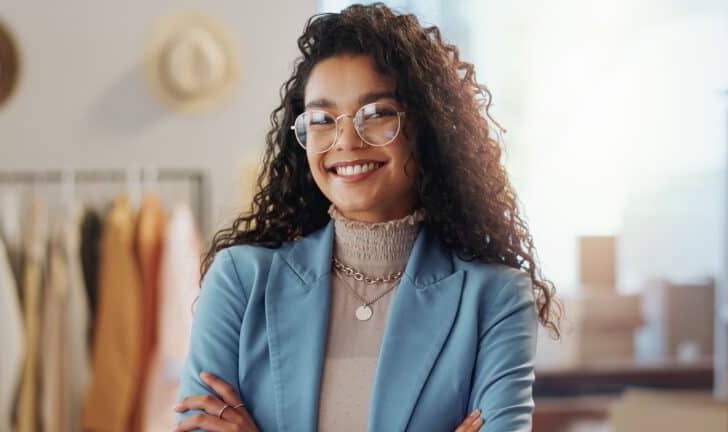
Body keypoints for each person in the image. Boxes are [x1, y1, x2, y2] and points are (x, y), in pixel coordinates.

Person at [172, 3, 561, 431]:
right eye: (322, 119)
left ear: (426, 127)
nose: (346, 140)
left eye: (376, 114)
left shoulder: (496, 299)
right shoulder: (240, 282)